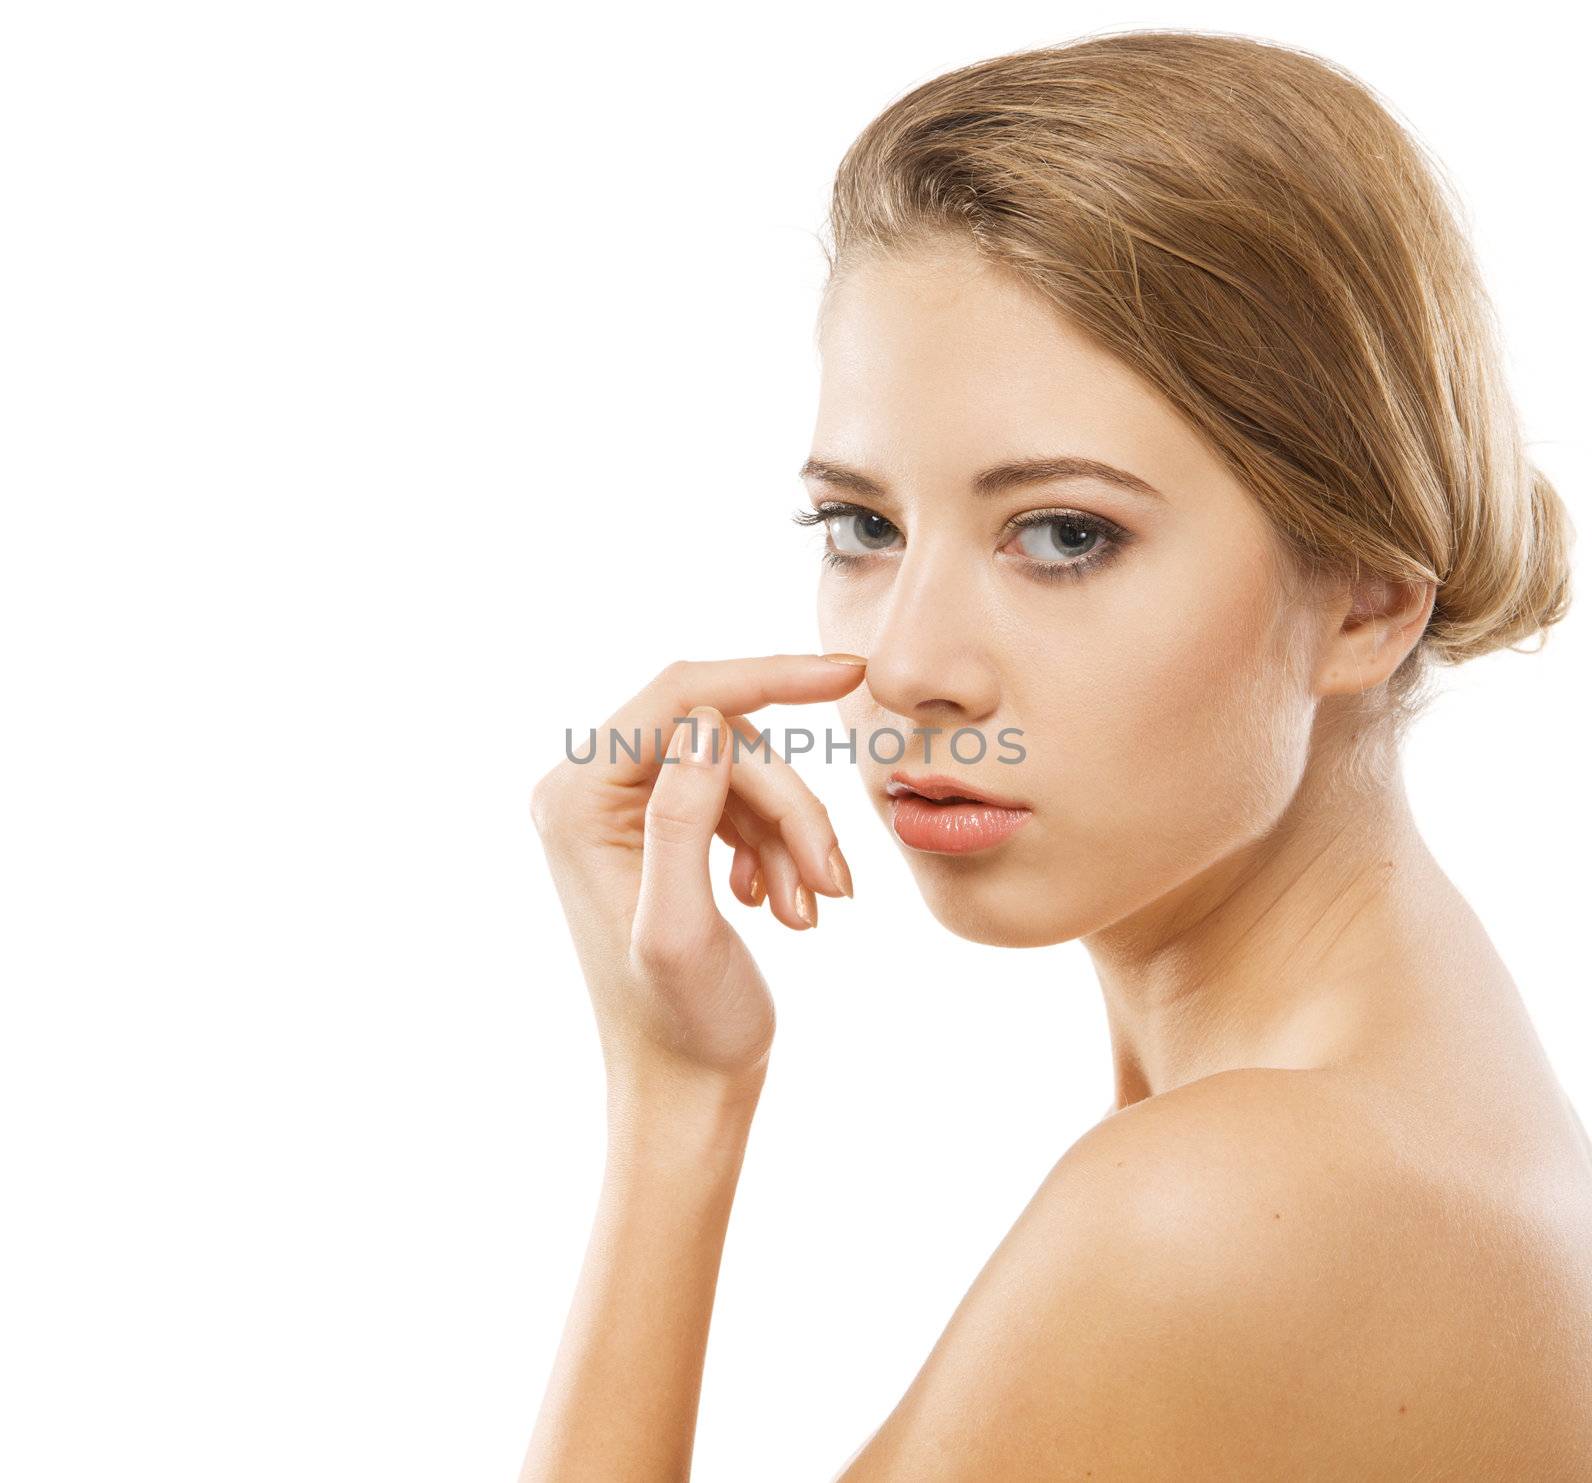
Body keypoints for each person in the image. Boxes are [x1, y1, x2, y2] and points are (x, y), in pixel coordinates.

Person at [520, 28, 1590, 1480]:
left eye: (1066, 536)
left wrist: (674, 1107)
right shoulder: (1433, 1087)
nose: (906, 665)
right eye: (864, 526)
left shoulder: (1219, 1212)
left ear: (1367, 598)